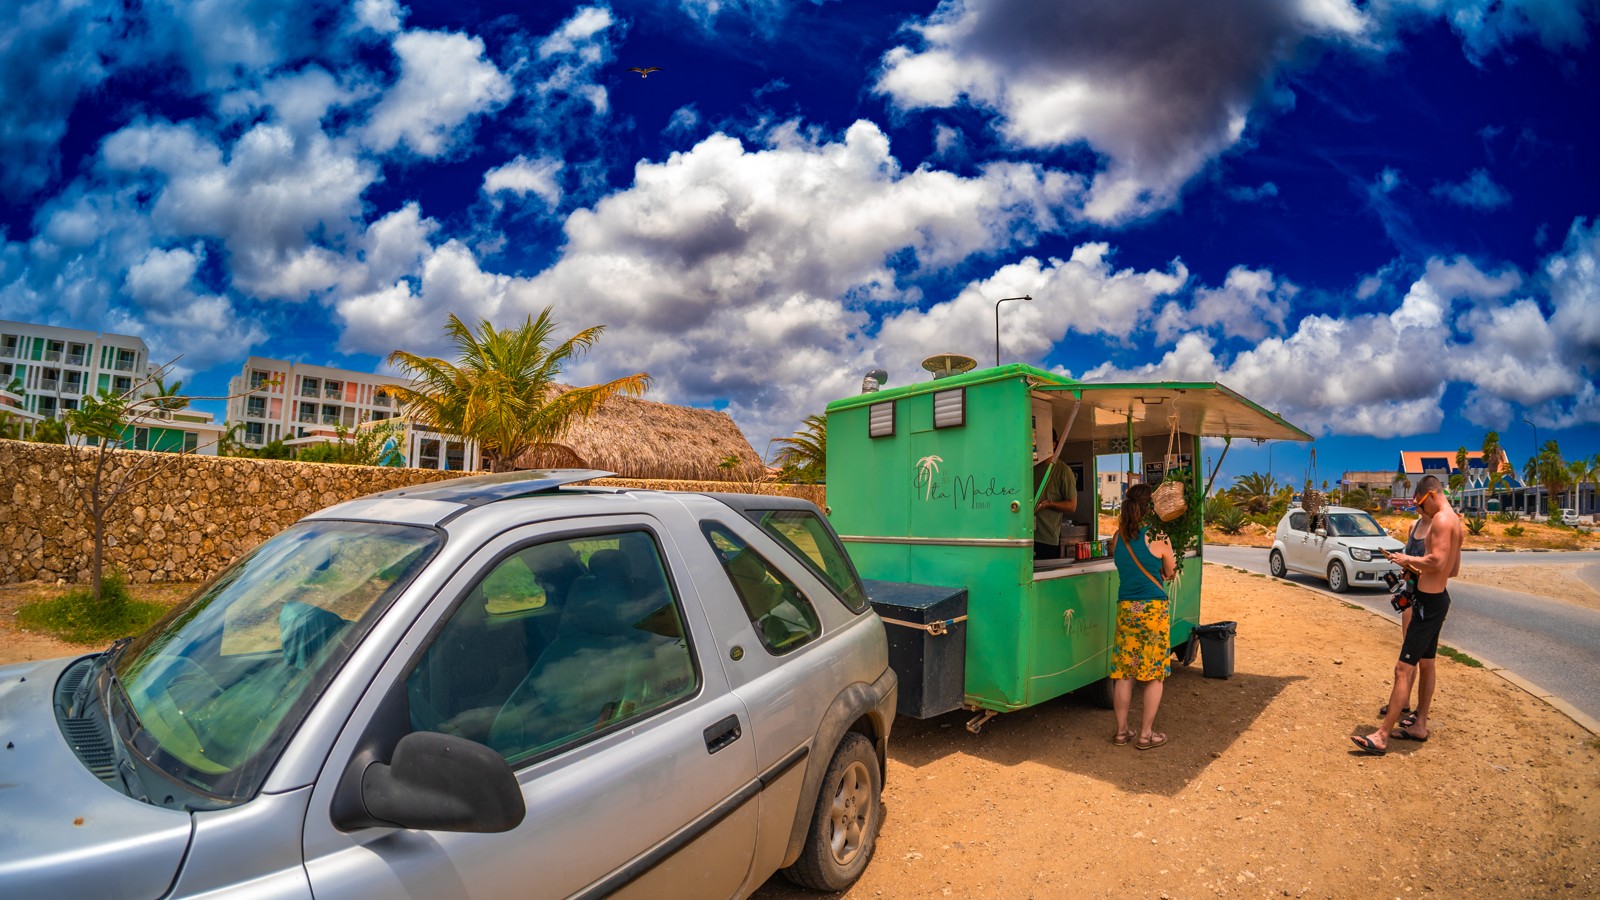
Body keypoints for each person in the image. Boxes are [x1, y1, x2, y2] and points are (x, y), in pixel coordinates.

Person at [1351, 475, 1462, 754]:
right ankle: (1419, 725)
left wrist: (1406, 559)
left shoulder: (1441, 520)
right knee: (1427, 662)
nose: (1420, 510)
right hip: (1438, 600)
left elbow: (1436, 561)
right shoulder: (1456, 521)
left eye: (1420, 503)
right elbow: (1453, 569)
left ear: (1432, 495)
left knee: (1403, 668)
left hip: (1426, 605)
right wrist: (1415, 570)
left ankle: (1381, 735)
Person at [1109, 484, 1177, 750]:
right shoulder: (1159, 536)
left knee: (1125, 673)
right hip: (1152, 612)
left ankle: (1121, 732)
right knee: (1153, 674)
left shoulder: (1117, 537)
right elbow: (1170, 572)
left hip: (1126, 609)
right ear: (1152, 508)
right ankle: (1146, 735)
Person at [1378, 514, 1428, 723]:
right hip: (1410, 593)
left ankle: (1420, 711)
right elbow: (1411, 559)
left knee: (1423, 657)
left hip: (1427, 597)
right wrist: (1405, 568)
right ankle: (1404, 701)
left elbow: (1438, 566)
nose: (1416, 504)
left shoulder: (1439, 527)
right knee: (1408, 649)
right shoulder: (1413, 525)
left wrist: (1411, 564)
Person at [1033, 451, 1078, 560]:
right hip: (1024, 535)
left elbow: (1072, 506)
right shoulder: (1030, 467)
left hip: (1046, 537)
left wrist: (1049, 504)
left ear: (1054, 444)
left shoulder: (1063, 470)